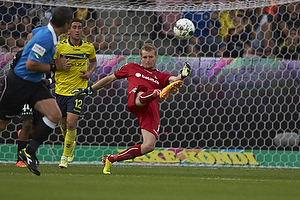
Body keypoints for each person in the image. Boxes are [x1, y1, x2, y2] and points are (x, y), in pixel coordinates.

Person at [72, 43, 191, 174]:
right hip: (136, 100)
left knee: (148, 146)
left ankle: (110, 159)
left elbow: (175, 79)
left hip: (150, 108)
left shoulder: (160, 76)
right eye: (145, 57)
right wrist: (89, 89)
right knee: (141, 92)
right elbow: (109, 79)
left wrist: (182, 75)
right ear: (141, 58)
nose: (148, 60)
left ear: (156, 58)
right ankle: (158, 92)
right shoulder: (131, 67)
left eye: (151, 57)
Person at [0, 6, 73, 176]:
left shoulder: (45, 32)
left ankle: (28, 152)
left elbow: (31, 35)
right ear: (67, 24)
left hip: (33, 83)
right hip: (19, 83)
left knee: (55, 115)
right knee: (2, 124)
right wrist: (56, 66)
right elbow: (30, 65)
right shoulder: (46, 38)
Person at [54, 18, 97, 169]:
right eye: (74, 27)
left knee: (72, 123)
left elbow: (93, 62)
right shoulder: (60, 47)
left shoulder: (88, 47)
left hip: (78, 90)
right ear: (69, 31)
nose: (78, 30)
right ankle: (70, 144)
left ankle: (64, 158)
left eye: (80, 27)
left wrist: (89, 73)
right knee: (63, 124)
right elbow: (51, 64)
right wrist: (59, 66)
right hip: (61, 90)